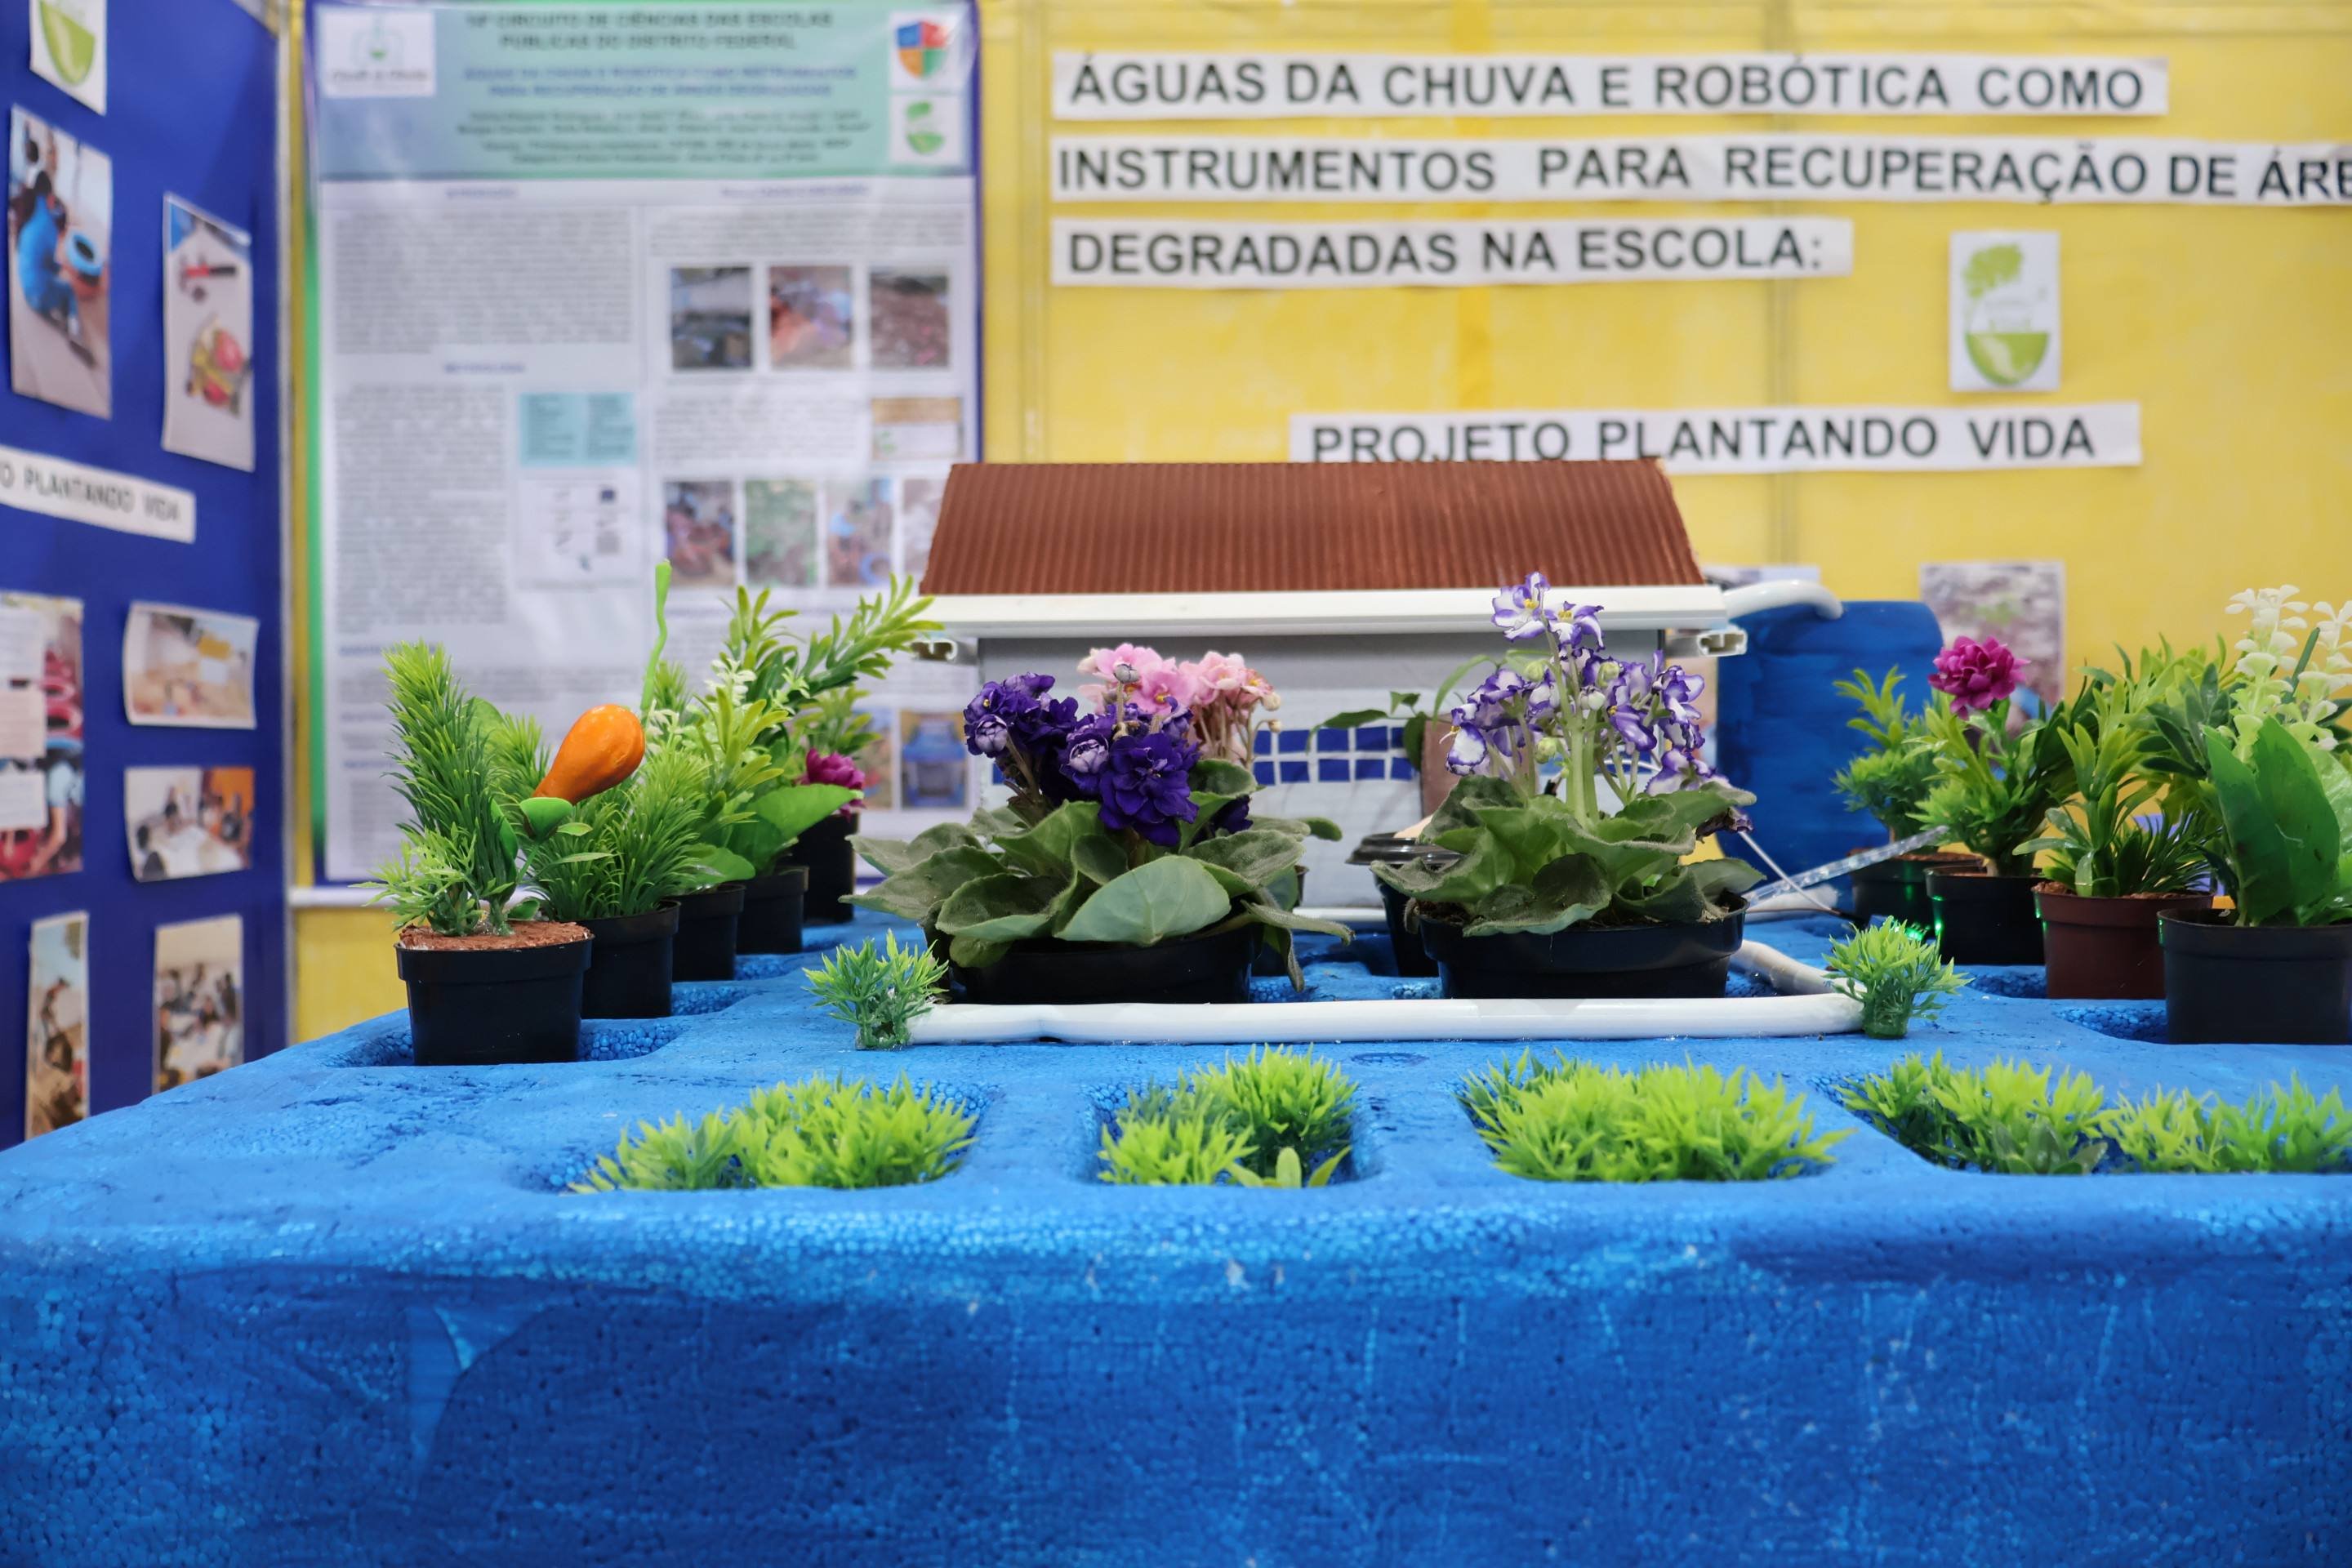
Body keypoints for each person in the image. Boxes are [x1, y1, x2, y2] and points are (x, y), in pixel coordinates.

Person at [14, 170, 85, 345]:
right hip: (37, 295)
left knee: (51, 284)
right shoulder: (49, 227)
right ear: (50, 198)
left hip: (25, 289)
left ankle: (57, 309)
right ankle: (75, 332)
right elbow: (49, 264)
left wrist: (60, 266)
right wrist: (65, 267)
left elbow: (40, 260)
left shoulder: (28, 218)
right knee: (68, 290)